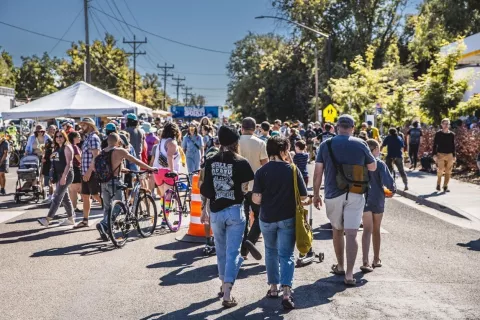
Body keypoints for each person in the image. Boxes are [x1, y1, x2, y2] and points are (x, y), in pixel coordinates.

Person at [313, 114, 376, 286]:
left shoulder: (326, 145)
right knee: (352, 233)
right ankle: (349, 274)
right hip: (356, 192)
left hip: (333, 193)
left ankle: (340, 266)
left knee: (337, 230)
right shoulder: (361, 144)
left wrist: (316, 193)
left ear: (337, 126)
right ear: (353, 128)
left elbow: (318, 171)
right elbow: (372, 166)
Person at [200, 125, 254, 308]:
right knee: (233, 253)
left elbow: (205, 188)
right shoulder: (241, 162)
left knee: (221, 252)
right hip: (234, 210)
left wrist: (203, 209)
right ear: (235, 141)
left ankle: (223, 286)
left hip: (215, 210)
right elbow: (245, 189)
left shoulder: (210, 160)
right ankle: (227, 293)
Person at [252, 136, 307, 310]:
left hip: (267, 218)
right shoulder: (292, 169)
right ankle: (286, 292)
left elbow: (256, 199)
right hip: (287, 218)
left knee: (270, 251)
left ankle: (273, 288)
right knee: (287, 254)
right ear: (284, 151)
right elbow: (304, 196)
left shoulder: (261, 171)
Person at [96, 133, 156, 240]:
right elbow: (135, 160)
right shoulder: (119, 151)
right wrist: (150, 168)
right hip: (115, 182)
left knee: (108, 208)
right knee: (119, 206)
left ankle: (107, 230)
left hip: (103, 183)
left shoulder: (102, 152)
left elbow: (109, 166)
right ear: (118, 141)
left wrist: (124, 169)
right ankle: (104, 224)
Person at [361, 139, 396, 273]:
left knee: (366, 230)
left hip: (363, 199)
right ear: (375, 149)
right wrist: (392, 191)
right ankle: (376, 259)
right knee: (376, 229)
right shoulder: (380, 164)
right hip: (378, 198)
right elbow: (389, 182)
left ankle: (365, 260)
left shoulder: (361, 163)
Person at [238, 117, 269, 260]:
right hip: (256, 187)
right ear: (255, 128)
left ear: (242, 128)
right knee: (260, 216)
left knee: (242, 218)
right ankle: (249, 242)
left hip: (238, 186)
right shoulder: (260, 143)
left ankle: (243, 249)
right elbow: (266, 166)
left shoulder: (235, 142)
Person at [37, 130, 75, 227]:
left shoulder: (67, 147)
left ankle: (48, 219)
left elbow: (69, 164)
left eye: (61, 136)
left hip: (65, 174)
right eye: (57, 136)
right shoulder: (57, 147)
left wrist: (64, 177)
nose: (58, 138)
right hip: (58, 175)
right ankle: (71, 218)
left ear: (65, 137)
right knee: (65, 198)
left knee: (57, 197)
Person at [74, 118, 102, 229]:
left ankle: (113, 211)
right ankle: (85, 220)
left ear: (89, 126)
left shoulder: (94, 138)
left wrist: (89, 171)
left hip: (91, 172)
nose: (82, 127)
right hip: (85, 171)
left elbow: (96, 156)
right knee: (85, 196)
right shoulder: (88, 138)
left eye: (83, 125)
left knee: (95, 195)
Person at [433, 118, 456, 192]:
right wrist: (434, 154)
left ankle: (445, 186)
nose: (446, 125)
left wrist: (454, 155)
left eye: (447, 124)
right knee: (440, 170)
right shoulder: (438, 134)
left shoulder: (452, 134)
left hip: (449, 154)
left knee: (448, 171)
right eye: (445, 124)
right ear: (441, 125)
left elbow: (453, 145)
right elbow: (434, 145)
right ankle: (438, 184)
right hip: (440, 154)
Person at [68, 131, 82, 213]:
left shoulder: (69, 146)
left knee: (72, 189)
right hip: (75, 169)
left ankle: (73, 207)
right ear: (74, 138)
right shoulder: (74, 147)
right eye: (78, 136)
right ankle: (73, 207)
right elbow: (79, 159)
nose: (80, 138)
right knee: (74, 189)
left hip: (70, 168)